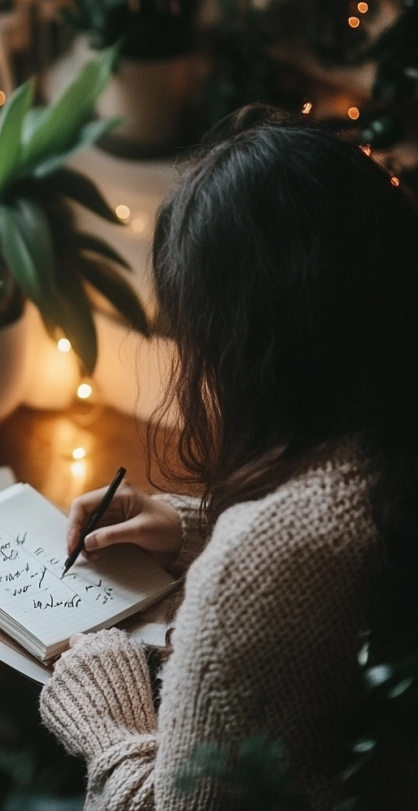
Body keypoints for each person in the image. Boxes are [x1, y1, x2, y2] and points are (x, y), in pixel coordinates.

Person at [39, 107, 418, 810]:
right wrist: (193, 527)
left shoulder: (261, 561)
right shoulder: (385, 448)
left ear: (245, 348)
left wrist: (107, 716)